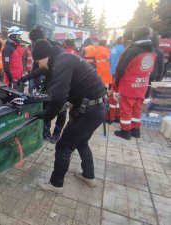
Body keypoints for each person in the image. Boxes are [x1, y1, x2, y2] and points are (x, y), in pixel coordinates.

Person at [32, 40, 105, 191]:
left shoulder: (62, 61)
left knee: (64, 146)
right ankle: (88, 175)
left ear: (45, 56)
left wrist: (47, 116)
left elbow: (59, 97)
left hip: (89, 110)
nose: (39, 65)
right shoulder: (64, 57)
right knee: (81, 141)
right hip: (97, 106)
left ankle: (55, 184)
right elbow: (44, 71)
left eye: (38, 62)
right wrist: (25, 78)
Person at [18, 28, 67, 144]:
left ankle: (56, 134)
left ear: (44, 38)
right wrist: (30, 79)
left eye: (36, 41)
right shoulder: (38, 50)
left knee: (62, 109)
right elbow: (39, 69)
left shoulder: (57, 49)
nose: (35, 44)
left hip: (62, 82)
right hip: (48, 81)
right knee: (46, 104)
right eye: (33, 42)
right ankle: (46, 132)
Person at [114, 26, 156, 140]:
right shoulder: (152, 49)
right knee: (137, 108)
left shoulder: (132, 49)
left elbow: (120, 68)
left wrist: (117, 81)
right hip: (142, 84)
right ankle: (135, 130)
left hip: (129, 85)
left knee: (126, 109)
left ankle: (126, 131)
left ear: (136, 35)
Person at [2, 26, 25, 91]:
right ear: (13, 35)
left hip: (18, 79)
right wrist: (12, 80)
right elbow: (6, 67)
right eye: (18, 35)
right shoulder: (8, 48)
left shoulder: (16, 47)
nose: (20, 37)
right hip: (12, 81)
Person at [145, 34, 164, 98]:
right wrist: (159, 78)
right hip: (154, 74)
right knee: (151, 90)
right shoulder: (160, 51)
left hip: (146, 73)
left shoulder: (147, 50)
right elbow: (161, 66)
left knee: (145, 89)